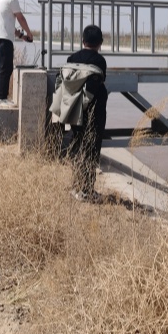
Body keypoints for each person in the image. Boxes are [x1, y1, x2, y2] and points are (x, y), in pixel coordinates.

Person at [62, 25, 108, 202]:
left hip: (75, 109)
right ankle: (87, 191)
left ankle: (76, 186)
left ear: (83, 41)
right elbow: (99, 82)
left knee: (77, 145)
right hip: (94, 111)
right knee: (91, 149)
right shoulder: (100, 61)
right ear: (100, 43)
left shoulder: (72, 58)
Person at [0, 0, 33, 107]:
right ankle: (2, 98)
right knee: (6, 68)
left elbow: (6, 23)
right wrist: (29, 33)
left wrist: (21, 36)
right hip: (4, 39)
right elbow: (21, 18)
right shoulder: (12, 0)